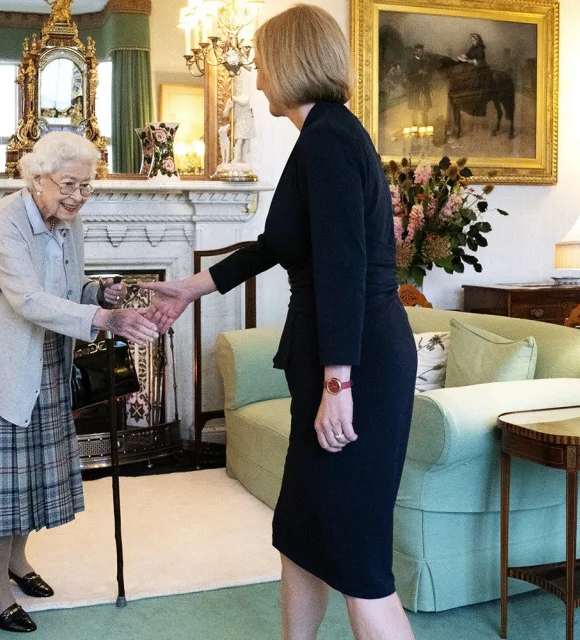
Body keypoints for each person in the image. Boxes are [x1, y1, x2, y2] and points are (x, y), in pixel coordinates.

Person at [141, 5, 417, 640]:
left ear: (292, 62)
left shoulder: (328, 141)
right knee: (301, 531)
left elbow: (345, 269)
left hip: (358, 364)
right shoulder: (321, 136)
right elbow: (276, 243)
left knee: (357, 556)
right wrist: (193, 286)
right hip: (337, 355)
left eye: (263, 63)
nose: (257, 77)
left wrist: (338, 384)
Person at [0, 131, 159, 633]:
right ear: (37, 178)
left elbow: (67, 288)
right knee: (3, 485)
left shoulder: (70, 224)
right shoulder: (3, 222)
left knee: (31, 476)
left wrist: (100, 291)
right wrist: (104, 320)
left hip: (47, 359)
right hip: (3, 365)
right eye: (69, 184)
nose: (77, 196)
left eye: (86, 187)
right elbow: (25, 298)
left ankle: (17, 563)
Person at [406, 44, 432, 125]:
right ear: (415, 52)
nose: (421, 53)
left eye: (422, 51)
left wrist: (427, 74)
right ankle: (415, 128)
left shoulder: (426, 61)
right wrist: (418, 73)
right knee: (415, 110)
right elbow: (408, 76)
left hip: (424, 88)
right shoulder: (410, 62)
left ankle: (426, 127)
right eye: (419, 51)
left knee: (424, 110)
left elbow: (430, 75)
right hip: (414, 89)